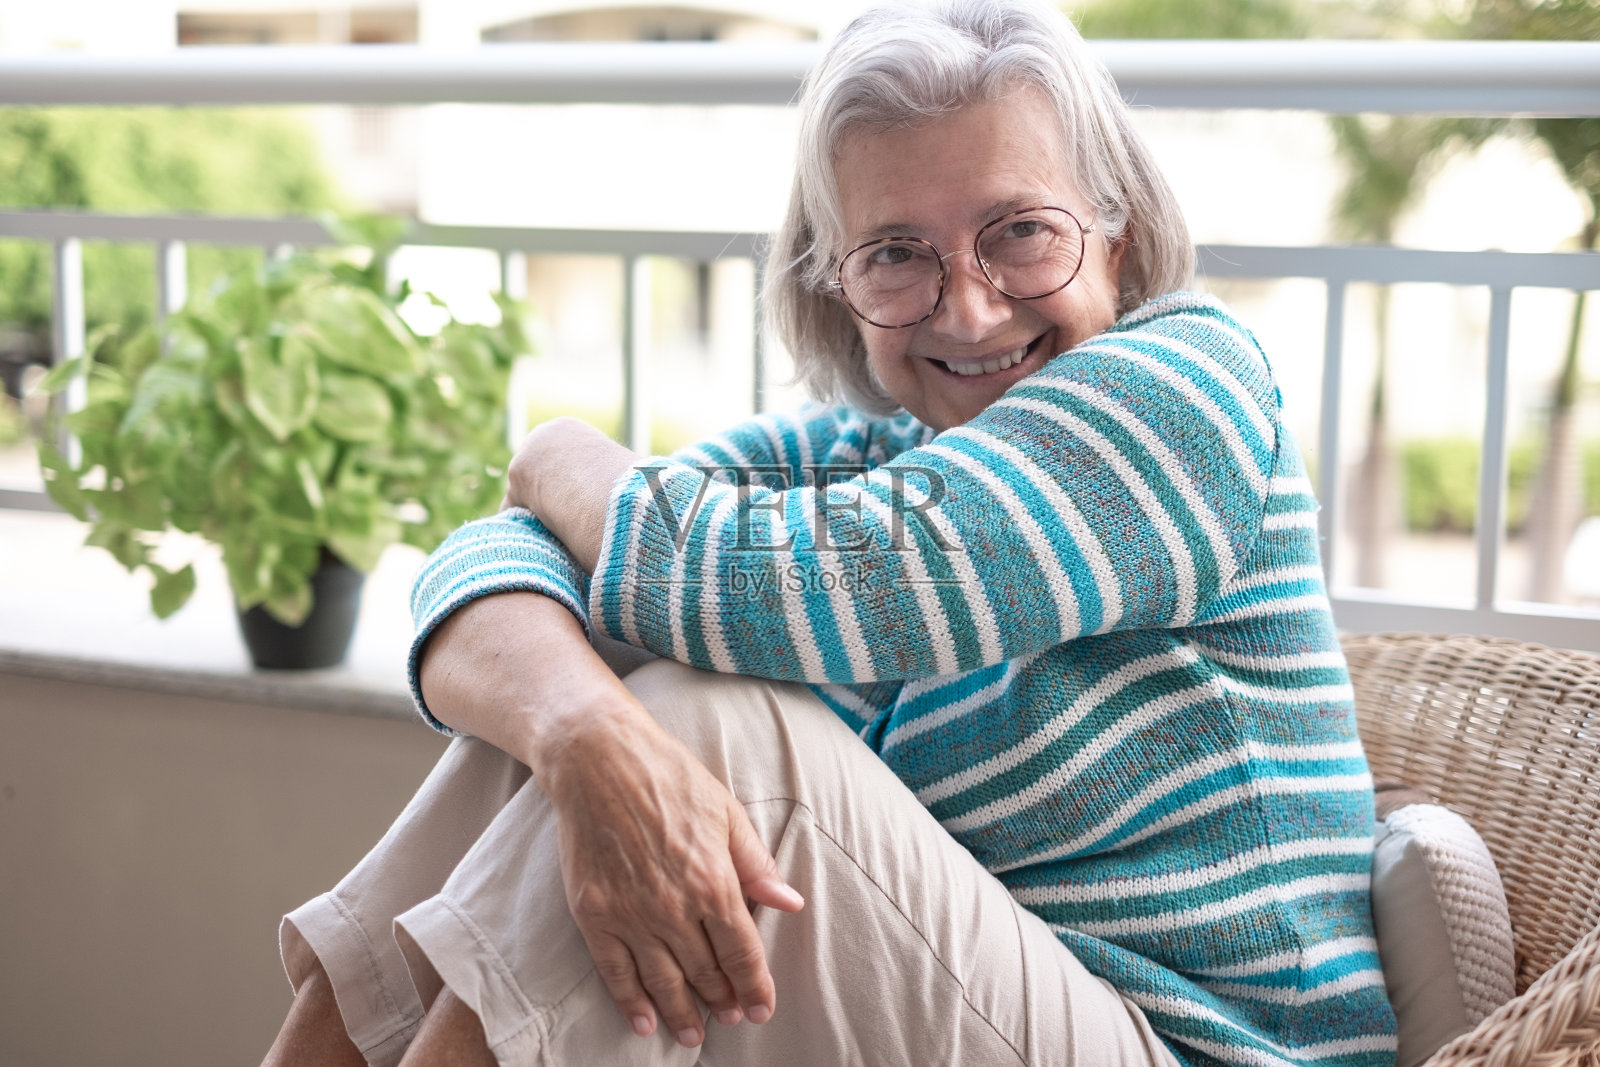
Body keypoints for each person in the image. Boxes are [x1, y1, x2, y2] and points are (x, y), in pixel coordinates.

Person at [263, 1, 1399, 1065]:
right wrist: (578, 737)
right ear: (838, 287)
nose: (968, 307)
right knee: (579, 738)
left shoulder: (1186, 389)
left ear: (1118, 234)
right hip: (973, 1009)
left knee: (715, 739)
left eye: (1020, 233)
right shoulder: (856, 454)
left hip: (1194, 1044)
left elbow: (796, 586)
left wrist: (554, 453)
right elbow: (487, 571)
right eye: (897, 253)